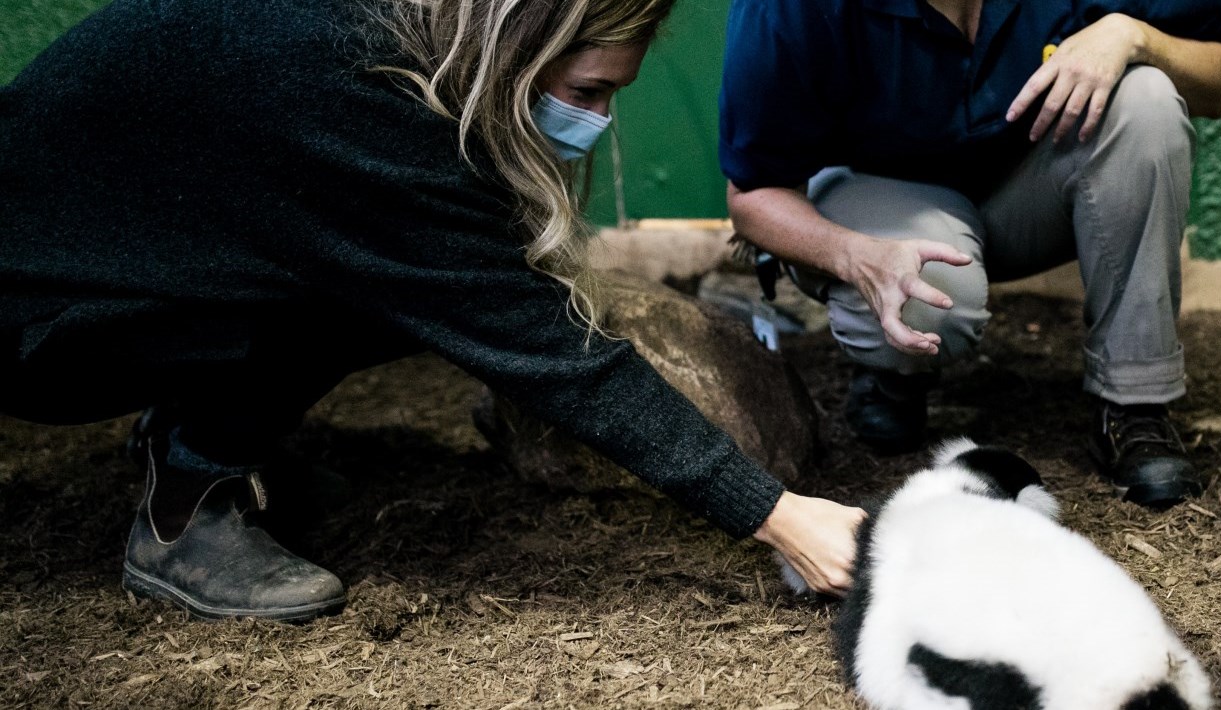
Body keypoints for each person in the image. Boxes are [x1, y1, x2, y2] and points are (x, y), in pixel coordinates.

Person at [0, 0, 863, 623]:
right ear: (524, 42)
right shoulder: (357, 99)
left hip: (120, 262)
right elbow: (542, 346)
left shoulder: (384, 38)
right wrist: (780, 515)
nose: (597, 123)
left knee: (416, 273)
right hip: (35, 331)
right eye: (590, 90)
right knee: (421, 283)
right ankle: (186, 502)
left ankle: (192, 429)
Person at [720, 0, 1221, 507]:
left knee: (1147, 97)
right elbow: (752, 196)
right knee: (928, 303)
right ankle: (896, 373)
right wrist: (854, 256)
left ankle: (1136, 407)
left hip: (1031, 182)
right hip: (878, 193)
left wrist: (1135, 36)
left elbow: (1218, 85)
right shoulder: (785, 8)